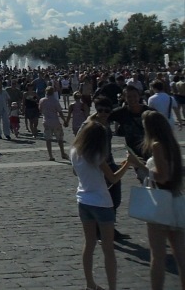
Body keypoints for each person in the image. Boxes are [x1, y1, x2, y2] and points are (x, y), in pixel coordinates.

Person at [126, 110, 185, 290]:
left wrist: (139, 164)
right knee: (181, 255)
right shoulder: (172, 145)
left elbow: (162, 176)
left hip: (160, 203)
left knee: (157, 256)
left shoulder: (157, 145)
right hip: (176, 200)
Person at [70, 121, 132, 290]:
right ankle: (112, 286)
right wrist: (128, 163)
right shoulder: (97, 155)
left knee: (89, 243)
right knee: (108, 248)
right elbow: (113, 178)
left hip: (83, 200)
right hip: (101, 203)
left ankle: (90, 284)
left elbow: (76, 172)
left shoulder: (74, 152)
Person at [39, 86, 67, 161]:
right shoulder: (55, 101)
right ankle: (62, 153)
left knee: (48, 139)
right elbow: (60, 112)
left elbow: (40, 110)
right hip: (55, 121)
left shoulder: (42, 100)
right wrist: (64, 120)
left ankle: (51, 155)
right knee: (60, 138)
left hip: (46, 121)